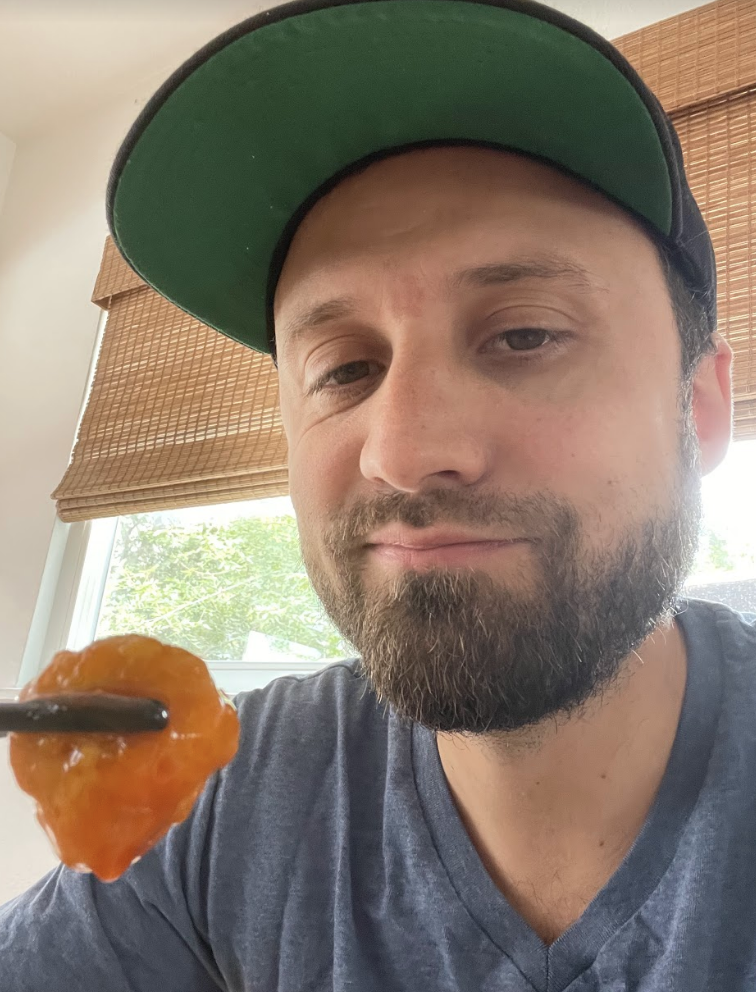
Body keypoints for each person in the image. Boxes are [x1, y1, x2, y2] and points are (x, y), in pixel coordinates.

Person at [2, 0, 754, 989]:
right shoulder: (226, 795)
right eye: (346, 367)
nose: (401, 450)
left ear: (698, 409)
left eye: (523, 334)